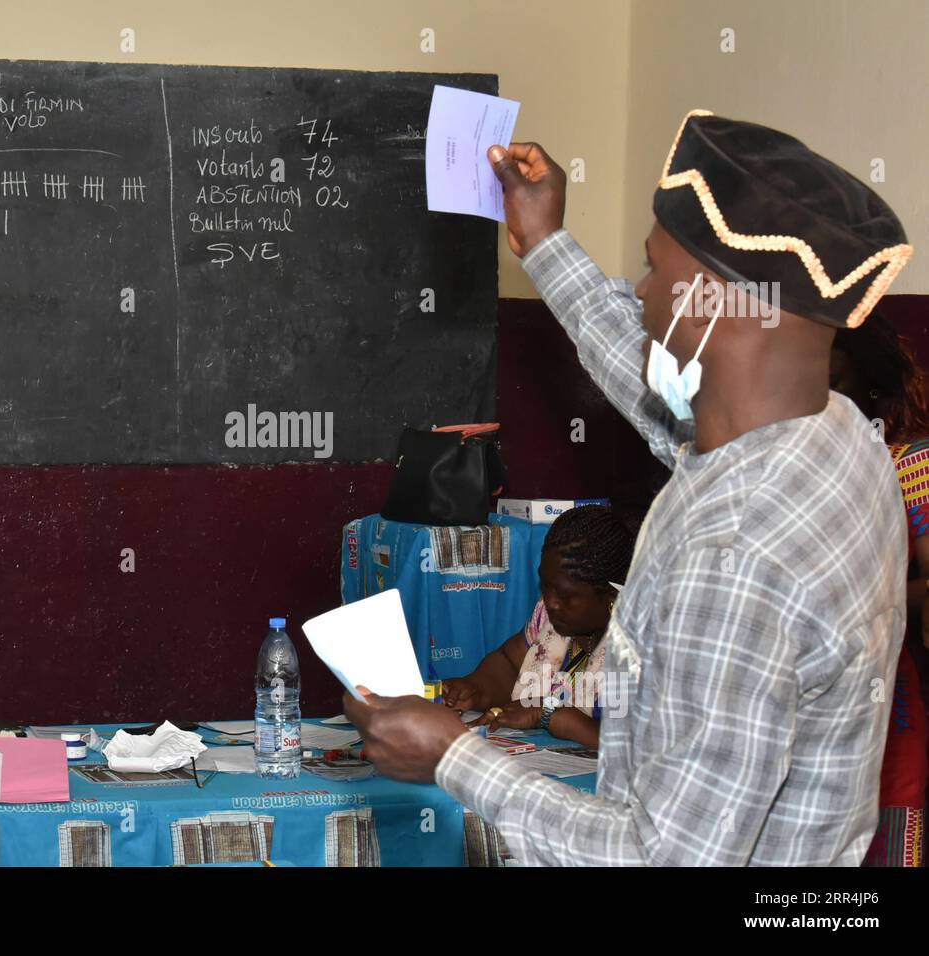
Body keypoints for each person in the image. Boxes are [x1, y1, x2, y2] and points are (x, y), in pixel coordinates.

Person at [345, 110, 914, 865]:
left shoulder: (735, 559)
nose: (642, 294)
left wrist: (452, 758)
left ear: (710, 299)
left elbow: (664, 858)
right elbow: (666, 404)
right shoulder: (838, 443)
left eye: (652, 270)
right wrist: (545, 245)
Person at [831, 312, 928, 867]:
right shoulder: (805, 466)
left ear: (870, 387)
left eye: (835, 384)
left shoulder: (912, 466)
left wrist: (855, 603)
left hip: (888, 704)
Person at [443, 504, 635, 749]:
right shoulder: (548, 617)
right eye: (545, 586)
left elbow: (637, 746)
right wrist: (476, 688)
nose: (551, 602)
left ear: (610, 597)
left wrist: (550, 716)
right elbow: (509, 662)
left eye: (565, 596)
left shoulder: (641, 646)